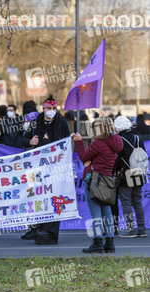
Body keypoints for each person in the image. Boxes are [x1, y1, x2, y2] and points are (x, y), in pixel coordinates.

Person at [21, 94, 70, 245]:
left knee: (54, 198)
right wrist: (30, 141)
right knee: (38, 197)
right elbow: (22, 139)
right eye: (48, 108)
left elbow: (67, 143)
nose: (51, 111)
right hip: (37, 169)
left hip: (55, 168)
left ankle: (50, 232)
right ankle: (37, 228)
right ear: (43, 109)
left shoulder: (62, 123)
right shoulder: (36, 123)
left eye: (54, 108)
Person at [74, 117, 123, 253]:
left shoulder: (98, 143)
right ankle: (110, 242)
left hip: (93, 180)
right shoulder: (117, 141)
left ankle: (97, 243)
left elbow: (83, 157)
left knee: (95, 214)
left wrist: (78, 142)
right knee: (107, 212)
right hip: (107, 180)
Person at [114, 116, 147, 238]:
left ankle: (131, 229)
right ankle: (142, 229)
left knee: (126, 202)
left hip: (126, 174)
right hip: (138, 172)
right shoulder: (138, 138)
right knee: (137, 201)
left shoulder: (119, 139)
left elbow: (117, 159)